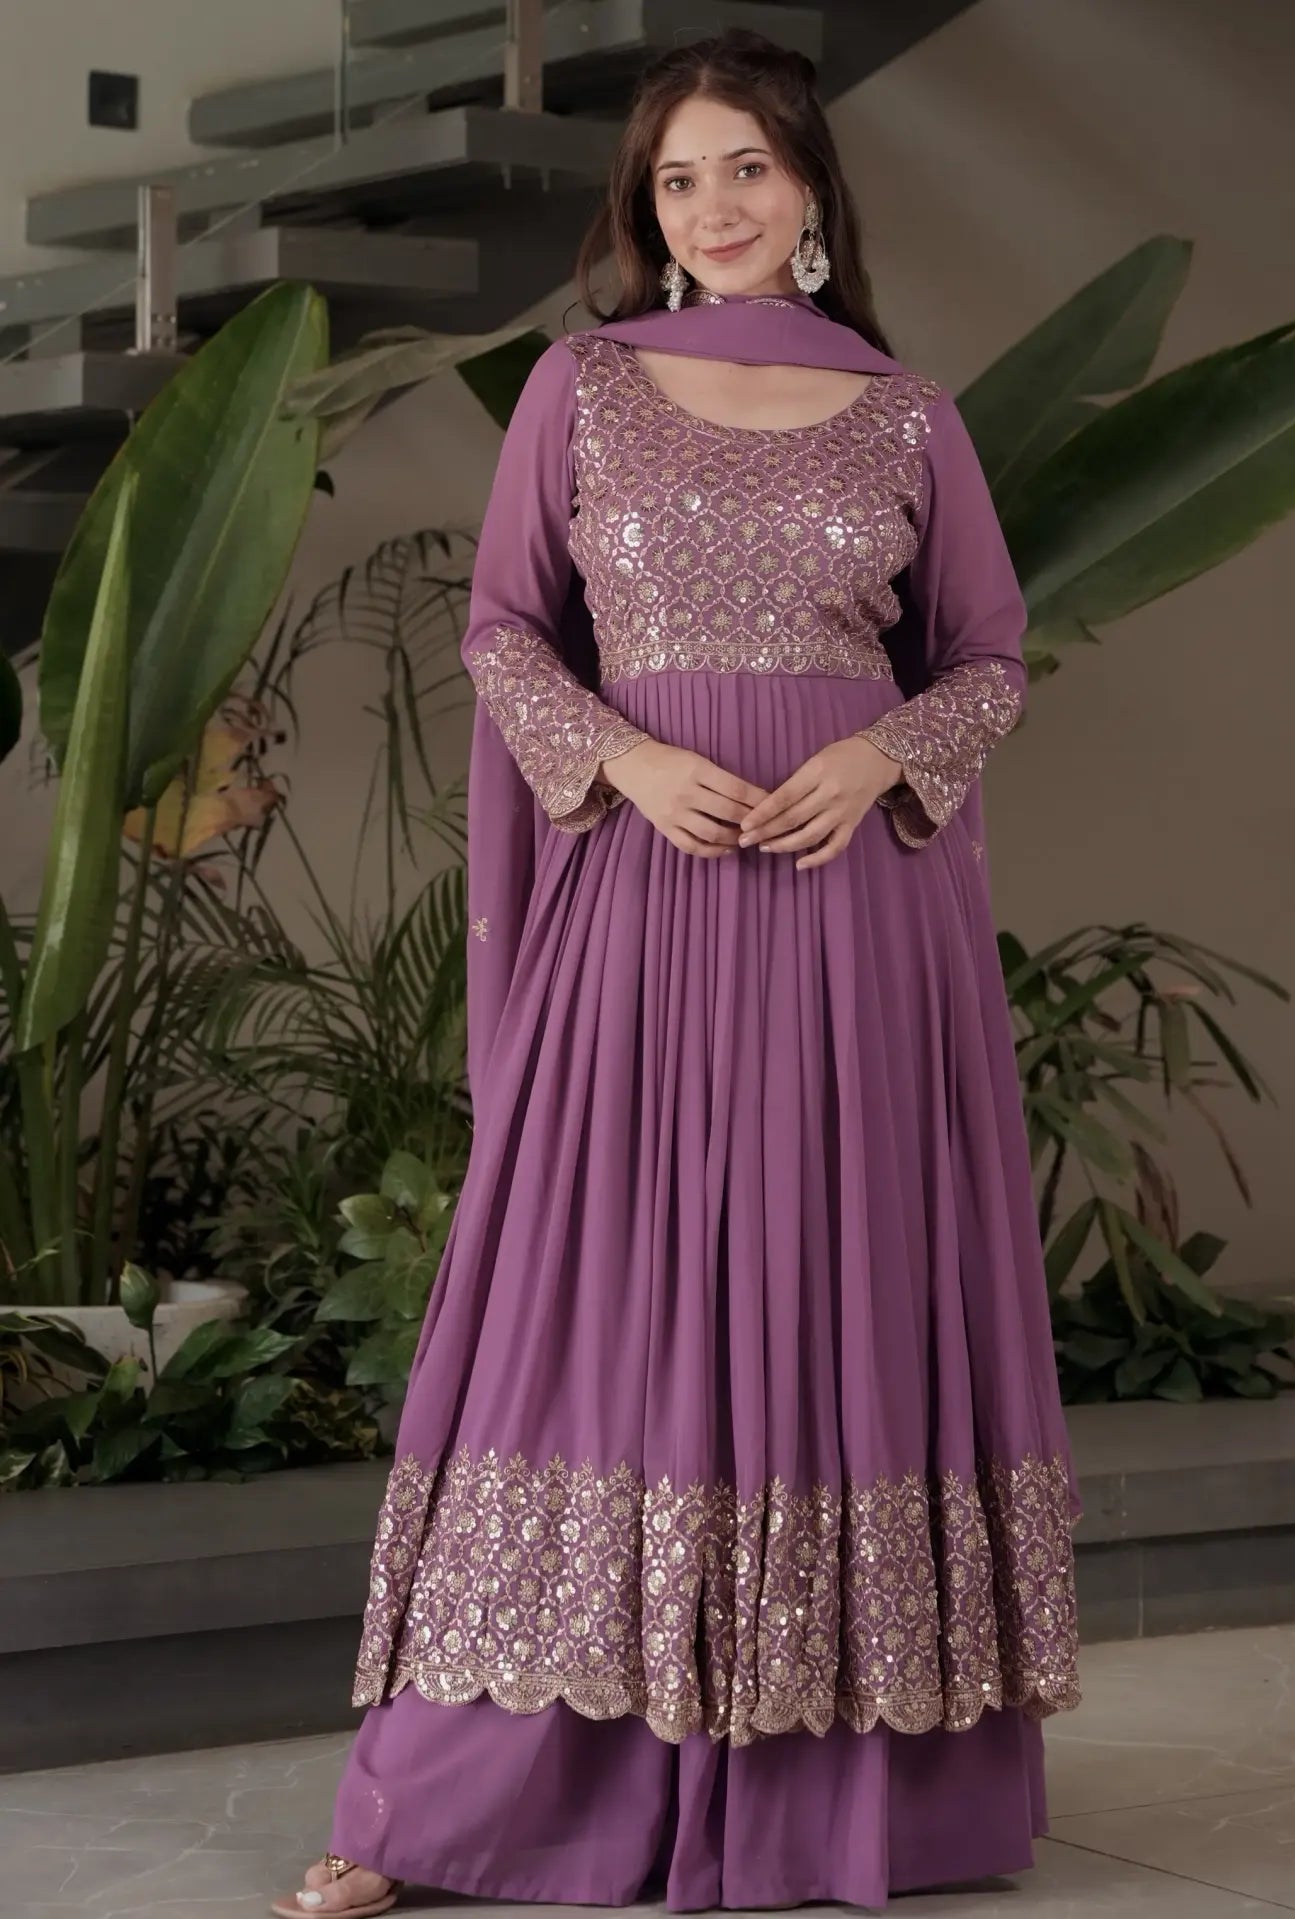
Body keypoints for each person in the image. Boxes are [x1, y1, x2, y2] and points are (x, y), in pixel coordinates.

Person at [270, 27, 1083, 1919]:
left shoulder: (910, 417)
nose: (712, 209)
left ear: (812, 195)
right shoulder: (582, 389)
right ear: (648, 214)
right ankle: (456, 1804)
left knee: (832, 1308)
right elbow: (500, 629)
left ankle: (850, 1796)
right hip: (642, 917)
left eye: (748, 171)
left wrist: (886, 754)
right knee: (595, 1311)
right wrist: (625, 758)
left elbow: (985, 658)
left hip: (850, 933)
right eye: (676, 181)